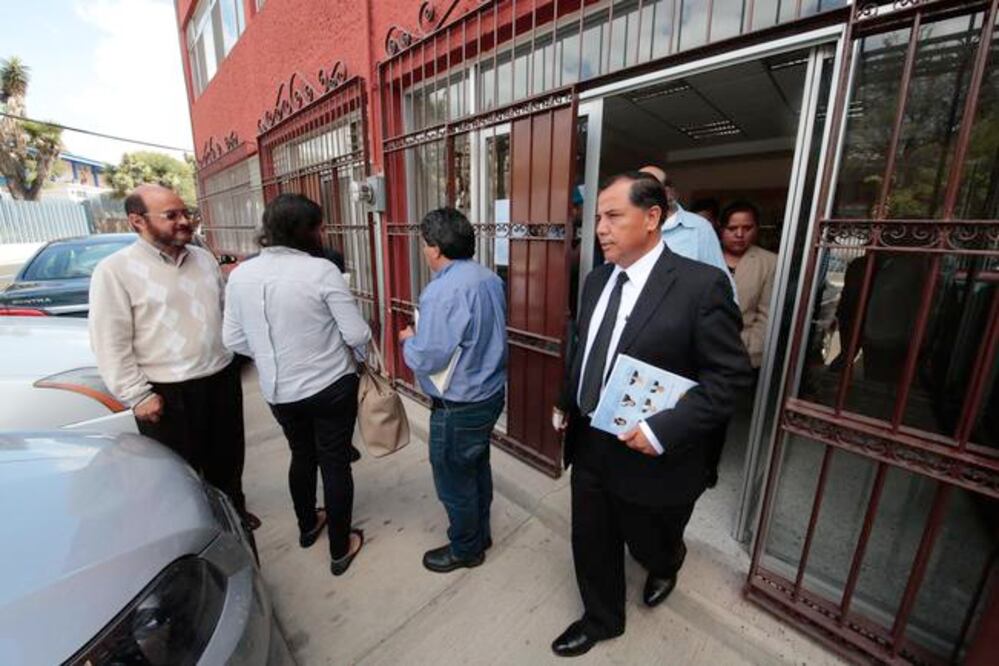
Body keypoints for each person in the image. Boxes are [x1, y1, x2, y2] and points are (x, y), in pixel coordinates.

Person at [551, 172, 750, 657]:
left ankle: (668, 560)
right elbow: (585, 348)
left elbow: (729, 379)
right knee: (591, 536)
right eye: (598, 216)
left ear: (653, 217)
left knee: (648, 541)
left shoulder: (701, 286)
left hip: (652, 449)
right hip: (592, 438)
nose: (600, 227)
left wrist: (663, 429)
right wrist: (566, 397)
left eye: (613, 216)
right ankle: (602, 618)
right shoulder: (598, 280)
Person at [89, 184, 258, 529]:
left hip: (220, 382)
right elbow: (109, 340)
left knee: (228, 472)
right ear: (137, 221)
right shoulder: (115, 271)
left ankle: (235, 528)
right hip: (166, 397)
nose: (184, 221)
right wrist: (137, 395)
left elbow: (225, 313)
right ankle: (198, 544)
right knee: (179, 483)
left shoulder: (204, 259)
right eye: (172, 215)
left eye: (186, 213)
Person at [222, 194, 371, 576]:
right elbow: (356, 332)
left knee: (301, 456)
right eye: (319, 226)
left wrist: (274, 358)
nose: (322, 233)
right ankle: (340, 548)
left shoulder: (240, 276)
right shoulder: (321, 271)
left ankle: (308, 526)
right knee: (335, 463)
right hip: (330, 385)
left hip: (278, 391)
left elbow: (233, 341)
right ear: (304, 231)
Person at [398, 208, 507, 574]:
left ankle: (466, 549)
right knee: (477, 468)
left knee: (454, 481)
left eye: (424, 246)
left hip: (458, 404)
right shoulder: (488, 278)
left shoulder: (442, 291)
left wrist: (408, 341)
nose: (424, 252)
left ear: (435, 249)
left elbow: (428, 356)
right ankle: (480, 534)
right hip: (490, 394)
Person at [640, 165, 736, 490]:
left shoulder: (698, 230)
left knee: (679, 425)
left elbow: (724, 289)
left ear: (671, 193)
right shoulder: (632, 228)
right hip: (643, 347)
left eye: (654, 185)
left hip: (684, 349)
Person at [720, 201, 777, 370]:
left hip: (742, 352)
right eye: (732, 228)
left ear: (757, 228)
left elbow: (766, 314)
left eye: (747, 228)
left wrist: (750, 350)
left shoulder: (769, 262)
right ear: (721, 229)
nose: (739, 234)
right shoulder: (707, 254)